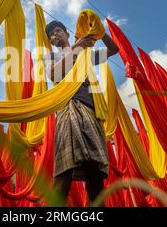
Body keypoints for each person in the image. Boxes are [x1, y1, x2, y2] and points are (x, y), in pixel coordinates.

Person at [43, 20, 119, 206]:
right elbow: (54, 75)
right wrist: (76, 46)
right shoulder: (51, 57)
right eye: (51, 35)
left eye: (58, 31)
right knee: (64, 174)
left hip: (91, 111)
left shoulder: (85, 54)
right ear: (51, 42)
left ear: (67, 33)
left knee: (95, 177)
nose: (55, 35)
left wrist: (99, 32)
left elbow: (113, 49)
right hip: (68, 110)